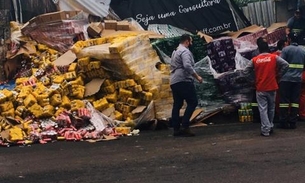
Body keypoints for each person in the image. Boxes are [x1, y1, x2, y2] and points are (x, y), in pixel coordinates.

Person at [242, 38, 289, 136]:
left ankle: (265, 129)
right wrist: (279, 75)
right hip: (272, 86)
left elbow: (245, 71)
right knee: (271, 108)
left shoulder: (255, 60)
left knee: (263, 109)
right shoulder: (274, 58)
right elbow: (286, 65)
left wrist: (252, 80)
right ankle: (270, 125)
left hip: (260, 87)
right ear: (268, 49)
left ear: (259, 50)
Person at [170, 34, 203, 137]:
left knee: (177, 104)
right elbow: (187, 65)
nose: (191, 44)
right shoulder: (185, 51)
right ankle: (185, 126)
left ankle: (176, 128)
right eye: (190, 41)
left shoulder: (175, 51)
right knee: (193, 101)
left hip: (174, 81)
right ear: (187, 41)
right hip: (183, 80)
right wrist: (197, 77)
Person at [278, 32, 305, 129]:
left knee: (284, 101)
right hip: (297, 79)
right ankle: (293, 122)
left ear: (289, 40)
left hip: (286, 79)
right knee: (295, 101)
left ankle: (283, 122)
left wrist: (280, 74)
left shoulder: (286, 50)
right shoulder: (303, 51)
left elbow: (280, 63)